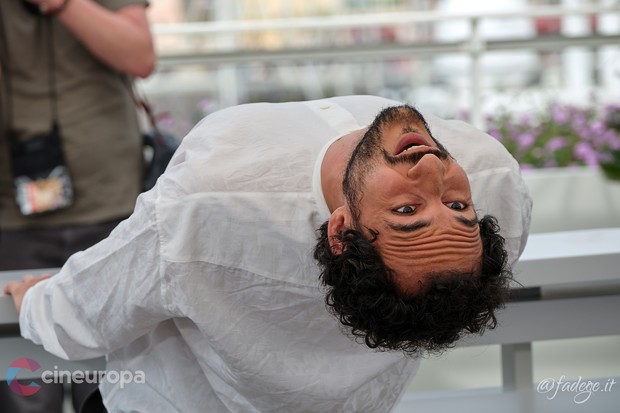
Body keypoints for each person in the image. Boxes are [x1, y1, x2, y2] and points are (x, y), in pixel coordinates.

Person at [4, 95, 532, 412]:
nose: (432, 168)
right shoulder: (493, 178)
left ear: (341, 229)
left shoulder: (214, 194)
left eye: (407, 211)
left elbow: (86, 314)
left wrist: (36, 301)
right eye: (458, 206)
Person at [0, 0, 155, 411]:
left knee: (114, 389)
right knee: (23, 387)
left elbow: (140, 56)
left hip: (112, 206)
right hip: (11, 221)